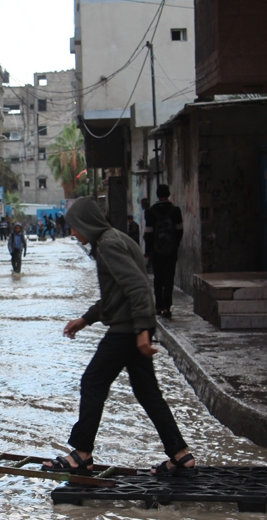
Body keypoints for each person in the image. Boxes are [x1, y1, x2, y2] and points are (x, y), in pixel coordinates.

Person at [42, 196, 196, 477]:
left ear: (87, 223)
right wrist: (85, 319)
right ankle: (180, 455)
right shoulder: (114, 239)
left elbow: (137, 288)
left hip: (127, 330)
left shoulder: (109, 245)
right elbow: (116, 296)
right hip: (134, 326)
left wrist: (140, 332)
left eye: (75, 227)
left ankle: (81, 453)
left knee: (92, 382)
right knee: (148, 393)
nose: (72, 232)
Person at [144, 184, 183, 319]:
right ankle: (167, 307)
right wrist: (174, 245)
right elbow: (179, 231)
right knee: (169, 278)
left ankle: (158, 306)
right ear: (168, 194)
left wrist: (148, 251)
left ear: (157, 195)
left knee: (158, 279)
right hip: (171, 251)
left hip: (157, 251)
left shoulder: (150, 212)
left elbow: (148, 233)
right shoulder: (175, 211)